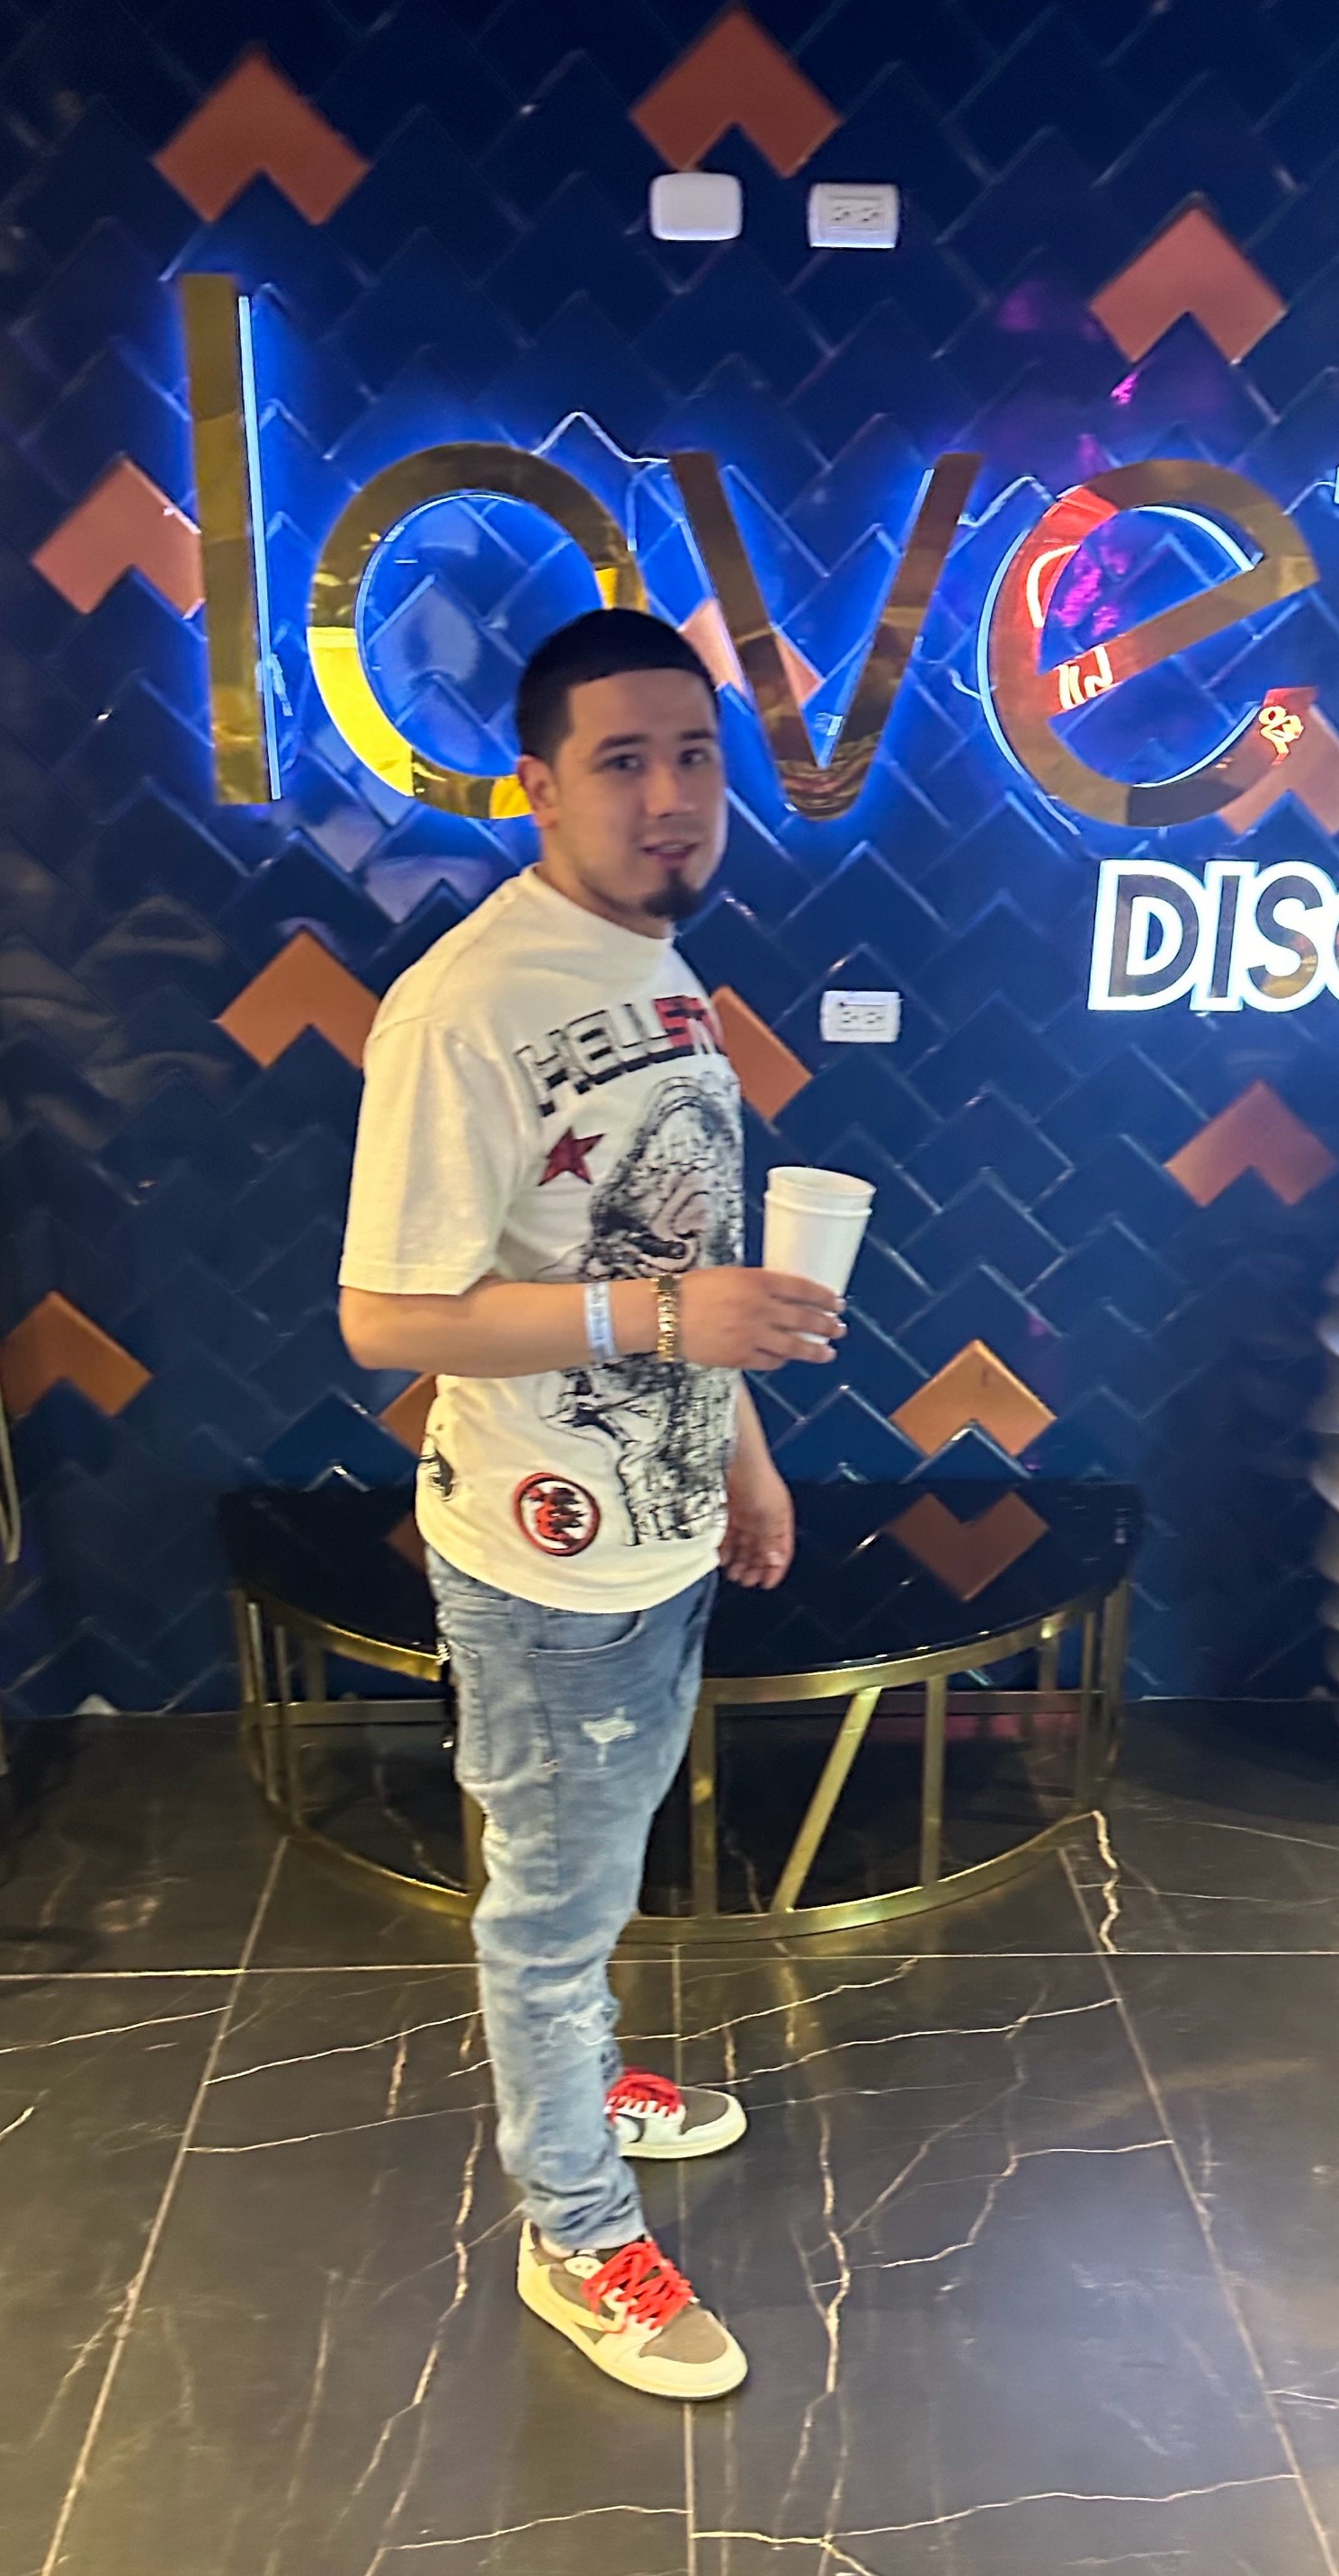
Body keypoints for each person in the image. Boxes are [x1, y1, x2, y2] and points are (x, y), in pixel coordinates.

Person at [338, 611, 842, 2400]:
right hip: (542, 1562)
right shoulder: (466, 1004)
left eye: (694, 756)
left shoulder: (658, 966)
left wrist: (742, 1456)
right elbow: (385, 1317)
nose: (669, 796)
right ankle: (572, 2228)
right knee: (546, 1915)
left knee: (593, 1865)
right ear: (538, 786)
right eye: (621, 761)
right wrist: (665, 1326)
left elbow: (678, 1246)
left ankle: (582, 2073)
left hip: (664, 1520)